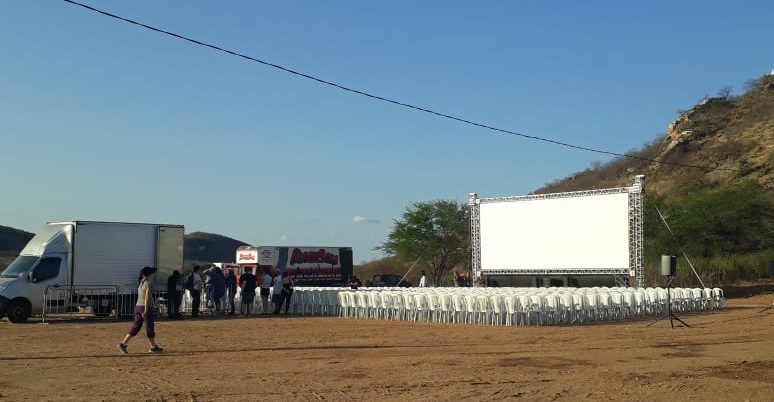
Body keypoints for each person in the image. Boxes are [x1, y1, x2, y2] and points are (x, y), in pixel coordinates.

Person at [118, 266, 163, 354]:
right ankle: (153, 347)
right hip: (144, 307)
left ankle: (123, 343)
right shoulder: (148, 284)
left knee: (136, 327)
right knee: (149, 327)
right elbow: (146, 298)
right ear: (149, 274)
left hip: (138, 306)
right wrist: (146, 309)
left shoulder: (141, 283)